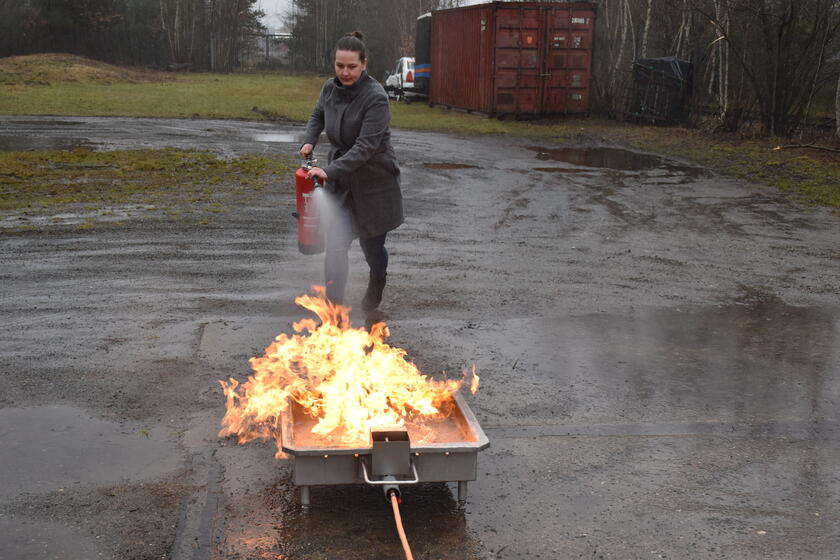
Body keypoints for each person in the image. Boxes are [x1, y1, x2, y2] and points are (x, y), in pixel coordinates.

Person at [299, 31, 403, 312]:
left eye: (352, 66)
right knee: (335, 245)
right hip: (341, 184)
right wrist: (310, 138)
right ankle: (333, 312)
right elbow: (317, 115)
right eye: (339, 65)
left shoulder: (376, 98)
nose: (345, 72)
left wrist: (328, 171)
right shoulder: (329, 89)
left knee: (372, 249)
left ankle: (377, 280)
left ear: (364, 64)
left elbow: (365, 147)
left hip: (374, 183)